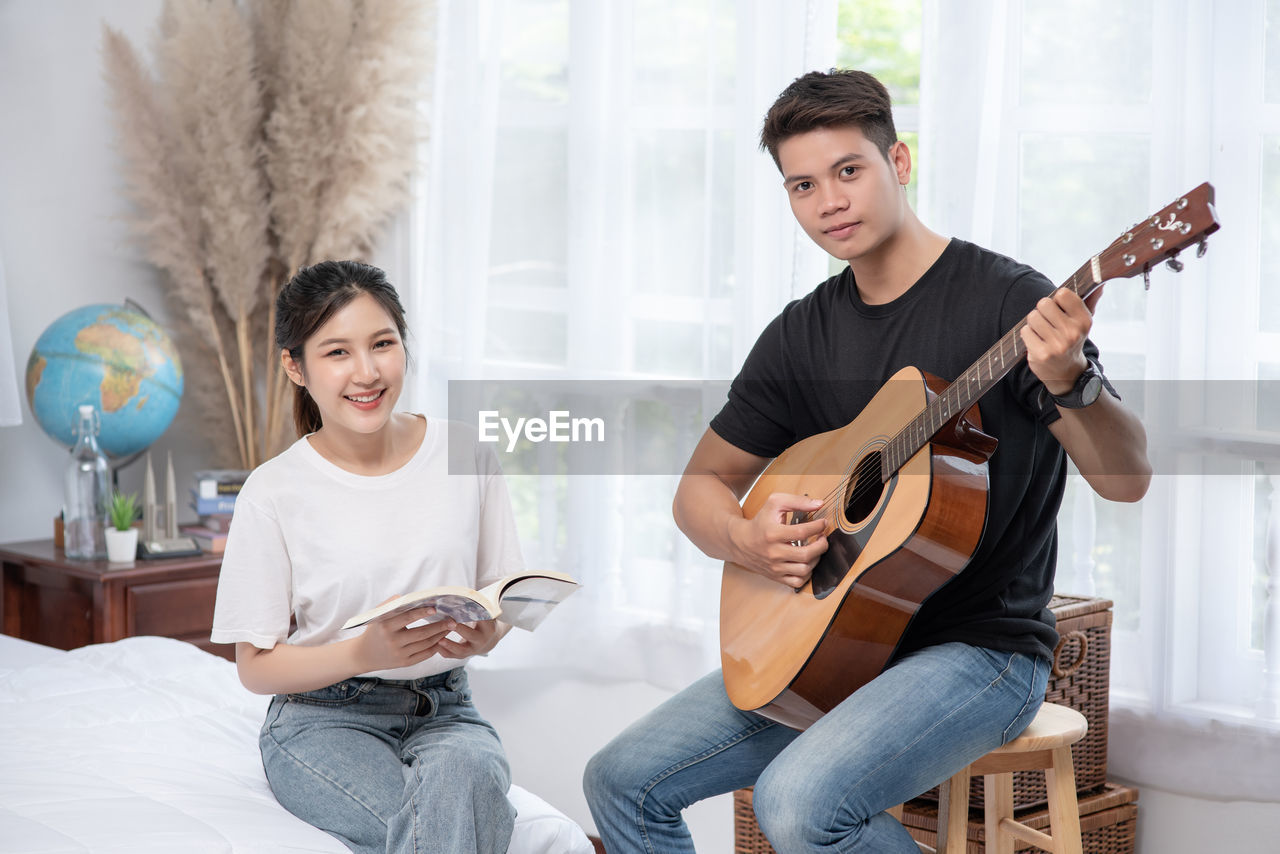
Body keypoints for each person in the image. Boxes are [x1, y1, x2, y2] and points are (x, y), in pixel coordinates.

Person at [583, 69, 1151, 853]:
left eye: (849, 170)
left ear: (900, 163)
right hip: (832, 648)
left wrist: (1070, 379)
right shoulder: (800, 336)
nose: (829, 201)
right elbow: (698, 490)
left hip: (980, 651)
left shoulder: (1006, 303)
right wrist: (746, 539)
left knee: (798, 805)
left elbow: (1128, 481)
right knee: (620, 781)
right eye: (802, 185)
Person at [211, 260, 521, 854]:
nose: (367, 371)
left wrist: (489, 634)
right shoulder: (275, 491)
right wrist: (363, 651)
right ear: (294, 367)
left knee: (466, 780)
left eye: (383, 344)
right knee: (446, 824)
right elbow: (254, 665)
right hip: (322, 720)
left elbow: (499, 590)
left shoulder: (464, 451)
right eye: (337, 352)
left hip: (448, 709)